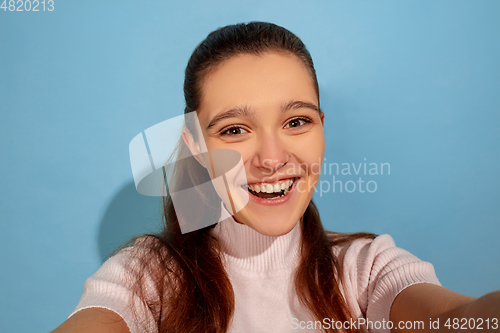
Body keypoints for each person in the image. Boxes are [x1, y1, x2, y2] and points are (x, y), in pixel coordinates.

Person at [53, 22, 499, 333]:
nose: (271, 158)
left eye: (297, 122)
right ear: (196, 147)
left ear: (322, 126)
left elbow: (461, 321)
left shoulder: (366, 269)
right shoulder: (146, 278)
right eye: (234, 130)